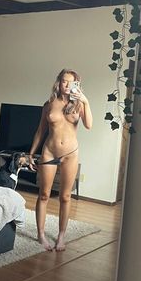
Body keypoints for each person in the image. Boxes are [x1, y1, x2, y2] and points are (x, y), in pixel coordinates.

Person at [28, 69, 93, 251]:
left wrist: (85, 101)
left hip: (70, 154)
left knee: (65, 196)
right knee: (44, 194)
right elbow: (40, 131)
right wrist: (31, 154)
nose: (66, 85)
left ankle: (61, 236)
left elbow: (89, 125)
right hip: (49, 152)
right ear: (59, 82)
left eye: (71, 82)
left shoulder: (79, 105)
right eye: (64, 81)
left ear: (76, 84)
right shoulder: (49, 105)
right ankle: (41, 235)